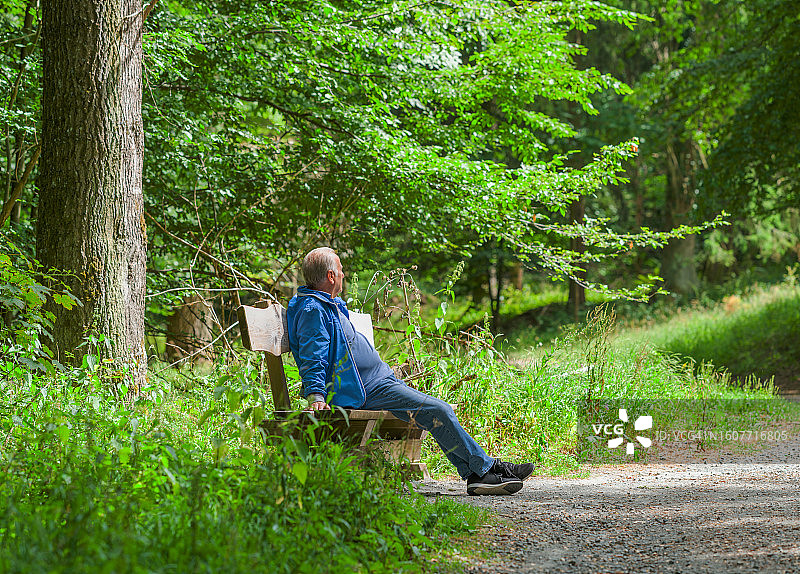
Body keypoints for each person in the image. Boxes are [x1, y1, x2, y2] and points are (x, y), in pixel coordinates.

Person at [287, 247, 534, 495]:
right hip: (365, 389)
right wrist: (316, 395)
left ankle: (478, 473)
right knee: (438, 410)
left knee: (432, 413)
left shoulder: (326, 304)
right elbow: (313, 353)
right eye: (341, 271)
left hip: (377, 381)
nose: (344, 275)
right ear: (331, 276)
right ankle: (486, 469)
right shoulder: (312, 310)